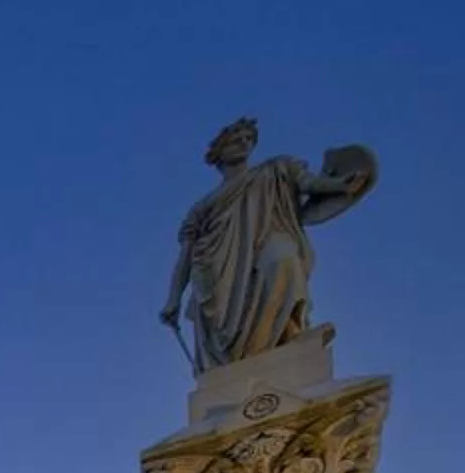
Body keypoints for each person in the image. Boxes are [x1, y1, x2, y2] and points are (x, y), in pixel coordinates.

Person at [161, 118, 376, 371]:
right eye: (237, 138)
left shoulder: (274, 170)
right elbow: (186, 255)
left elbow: (308, 183)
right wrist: (173, 299)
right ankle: (254, 354)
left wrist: (341, 184)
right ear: (219, 150)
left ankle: (289, 334)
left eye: (249, 139)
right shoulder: (202, 207)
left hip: (264, 243)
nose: (244, 143)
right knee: (267, 272)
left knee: (283, 259)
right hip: (219, 270)